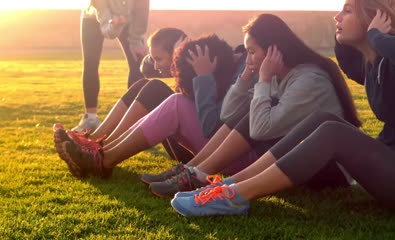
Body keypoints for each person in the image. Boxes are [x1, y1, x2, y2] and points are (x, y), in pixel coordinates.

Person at [169, 0, 395, 217]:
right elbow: (345, 55)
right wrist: (365, 37)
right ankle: (229, 187)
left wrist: (375, 35)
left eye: (347, 10)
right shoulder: (376, 64)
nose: (337, 16)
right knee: (324, 120)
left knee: (335, 132)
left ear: (373, 16)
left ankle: (235, 197)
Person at [145, 13, 361, 198]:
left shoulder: (309, 80)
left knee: (253, 112)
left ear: (273, 51)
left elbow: (259, 129)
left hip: (328, 172)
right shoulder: (279, 76)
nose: (248, 59)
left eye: (251, 52)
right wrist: (247, 76)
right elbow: (228, 115)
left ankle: (197, 175)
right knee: (248, 109)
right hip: (296, 161)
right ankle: (192, 171)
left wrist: (263, 81)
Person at [56, 34, 254, 178]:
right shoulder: (237, 63)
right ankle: (98, 146)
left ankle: (103, 157)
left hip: (225, 156)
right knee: (148, 86)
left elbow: (212, 125)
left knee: (169, 98)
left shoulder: (247, 74)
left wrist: (203, 78)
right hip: (213, 144)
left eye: (254, 49)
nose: (250, 55)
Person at [54, 28, 194, 162]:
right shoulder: (183, 71)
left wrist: (181, 58)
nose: (156, 67)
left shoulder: (197, 74)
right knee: (143, 84)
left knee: (155, 89)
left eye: (159, 59)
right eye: (154, 59)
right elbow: (146, 69)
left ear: (176, 54)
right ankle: (95, 140)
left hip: (194, 153)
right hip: (183, 144)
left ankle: (102, 146)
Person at [74, 0, 151, 132]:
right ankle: (90, 119)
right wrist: (114, 24)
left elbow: (142, 15)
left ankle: (133, 118)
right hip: (98, 19)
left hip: (127, 19)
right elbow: (106, 28)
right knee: (90, 63)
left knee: (137, 62)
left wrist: (136, 41)